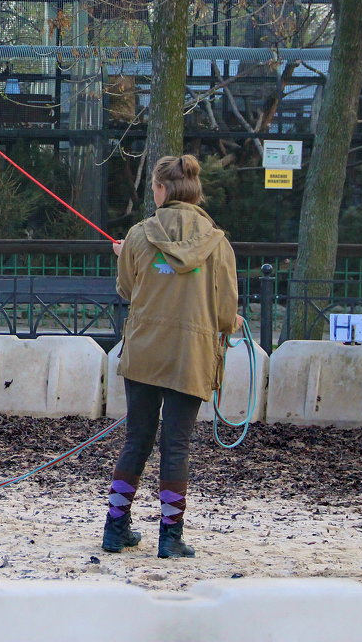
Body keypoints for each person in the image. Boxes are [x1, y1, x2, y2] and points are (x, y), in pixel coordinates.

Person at [102, 154, 240, 559]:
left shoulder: (140, 235)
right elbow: (224, 312)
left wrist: (125, 255)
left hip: (145, 351)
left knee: (137, 440)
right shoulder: (218, 242)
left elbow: (127, 291)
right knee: (176, 446)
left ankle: (115, 528)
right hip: (191, 355)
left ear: (162, 189)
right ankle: (170, 537)